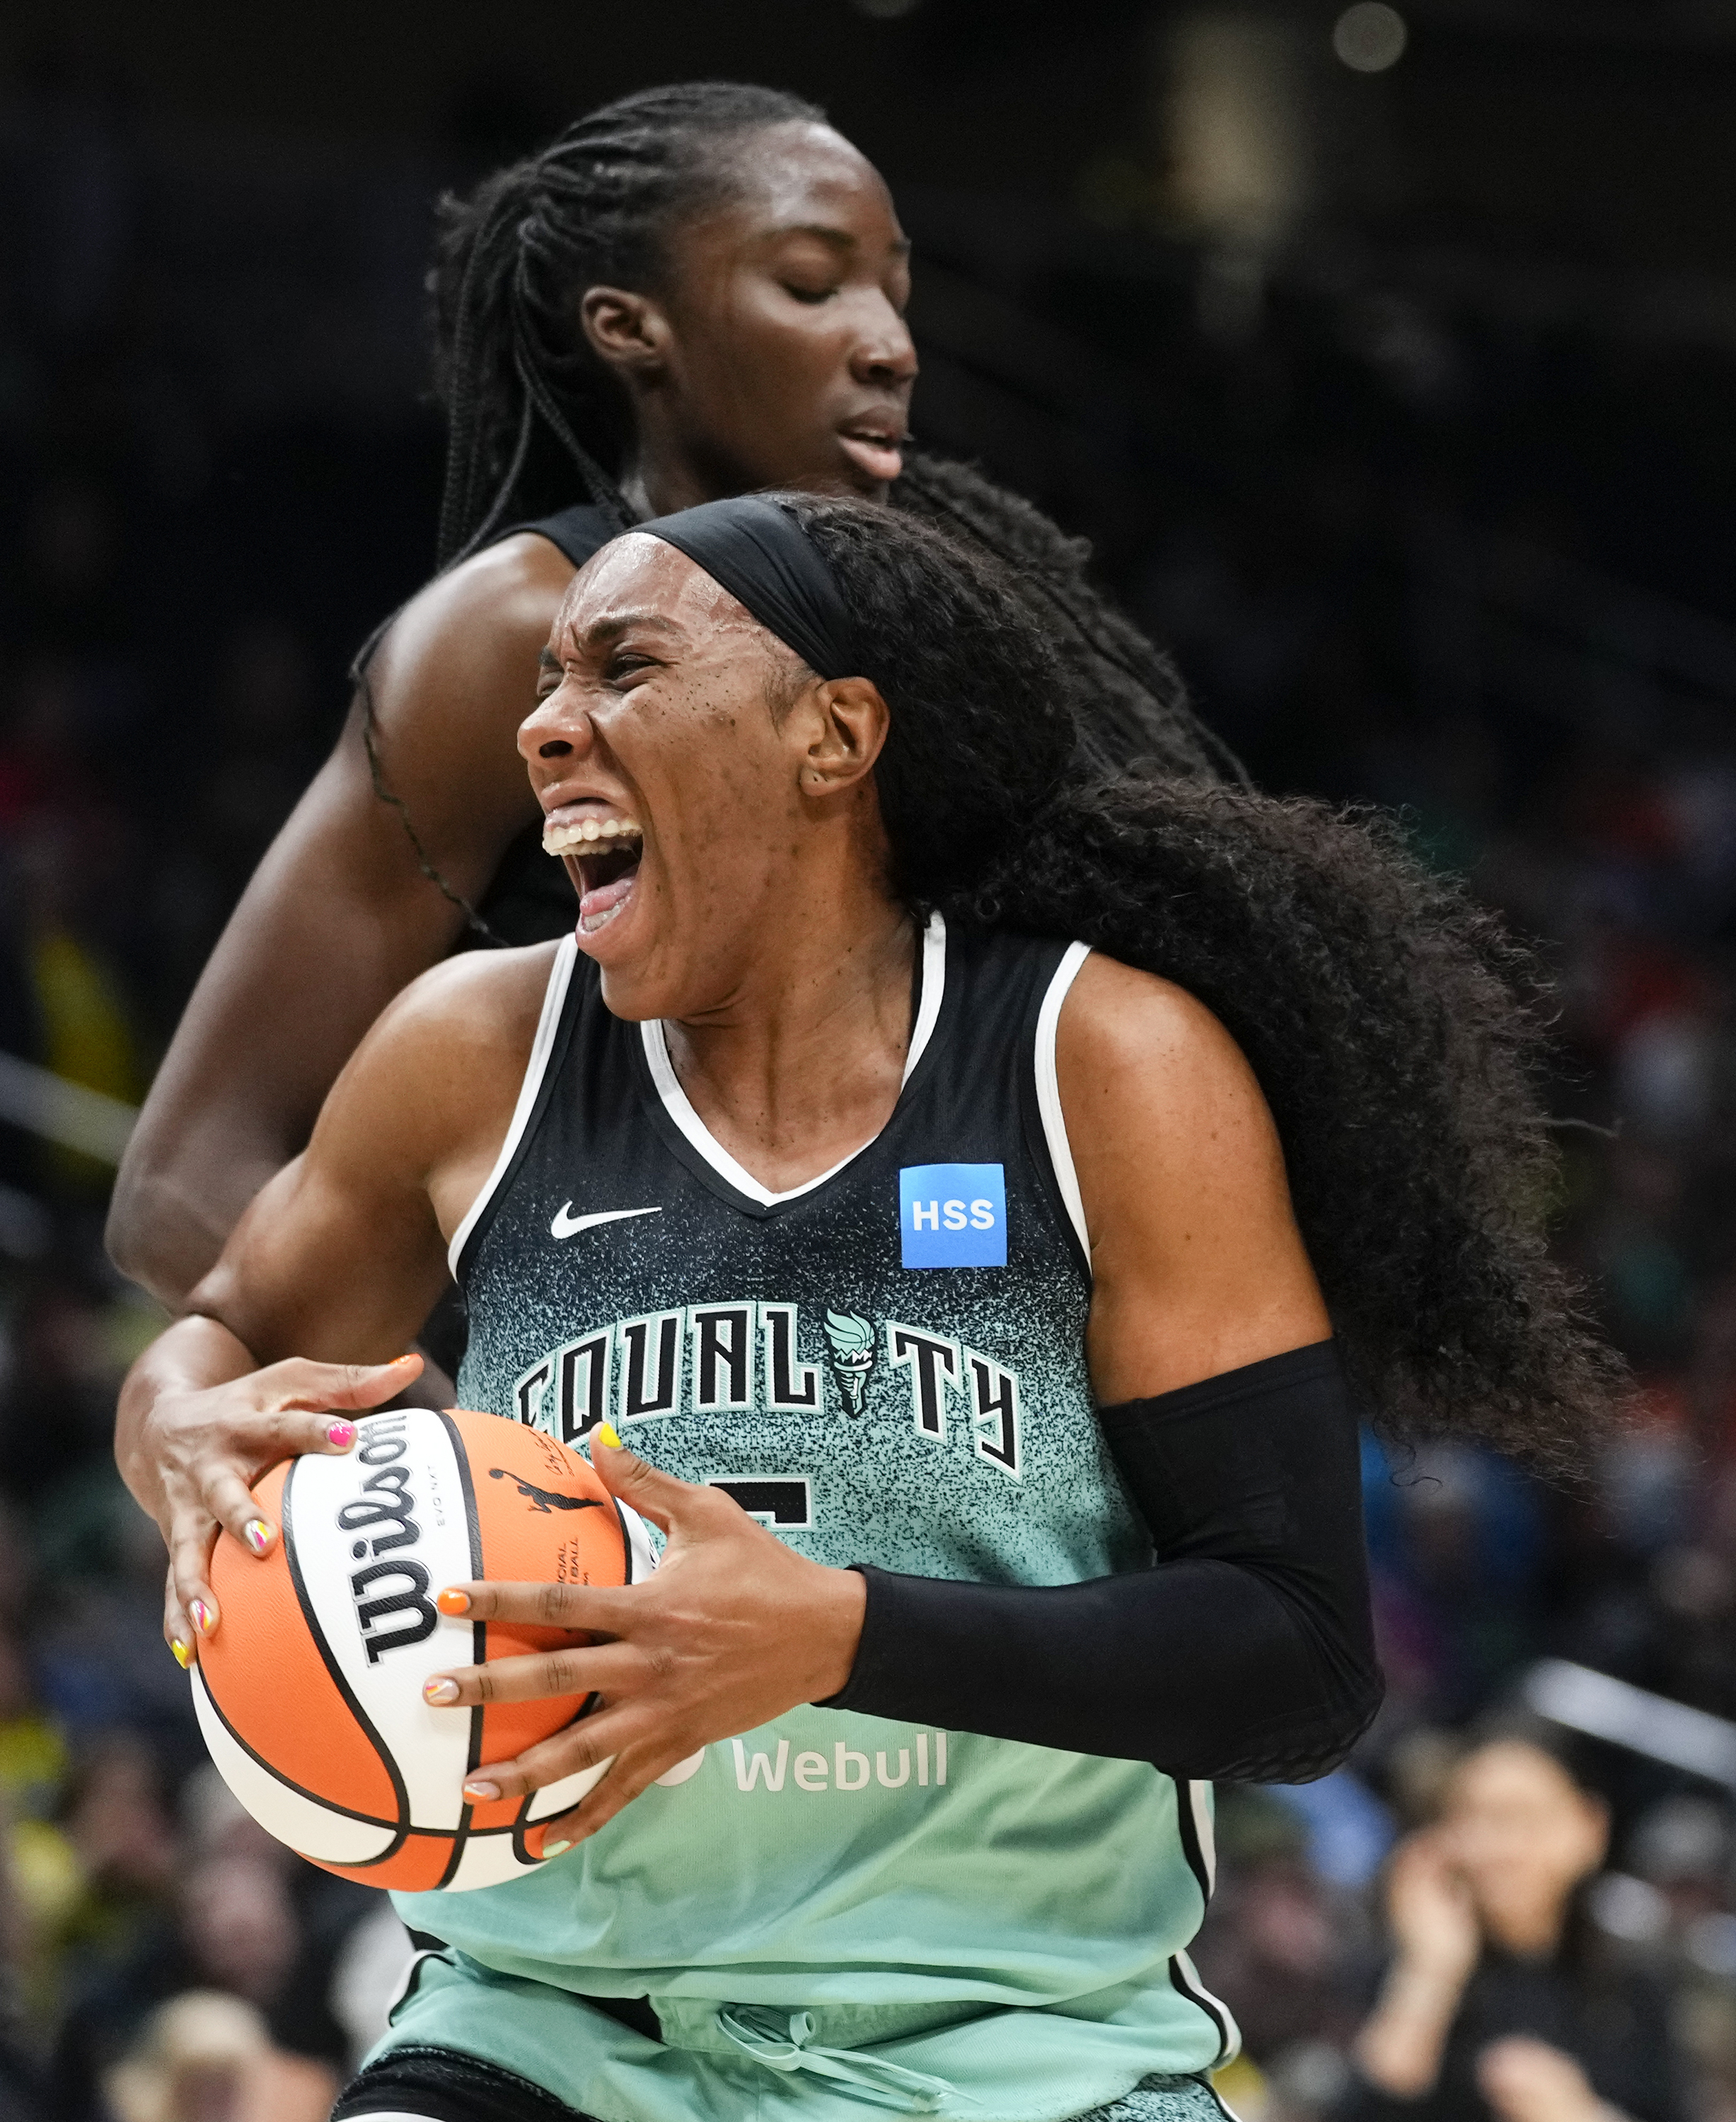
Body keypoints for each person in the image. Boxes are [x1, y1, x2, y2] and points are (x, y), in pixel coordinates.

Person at [117, 494, 1616, 2122]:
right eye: (544, 681)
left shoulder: (1099, 1066)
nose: (544, 726)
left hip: (1017, 2052)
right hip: (553, 2029)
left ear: (832, 735)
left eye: (620, 669)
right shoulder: (473, 1051)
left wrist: (831, 1635)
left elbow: (1298, 1659)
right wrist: (171, 1422)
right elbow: (218, 1338)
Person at [105, 79, 1237, 1318]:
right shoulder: (515, 629)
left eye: (893, 294)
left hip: (934, 1413)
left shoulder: (927, 631)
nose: (888, 343)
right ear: (628, 328)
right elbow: (184, 1184)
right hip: (600, 1428)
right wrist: (471, 1471)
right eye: (811, 284)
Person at [1345, 1728, 1688, 2122]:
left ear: (1590, 1829)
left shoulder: (1635, 1987)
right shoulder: (1389, 1965)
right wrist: (1431, 1970)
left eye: (1522, 1818)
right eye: (1471, 1817)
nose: (1496, 1848)